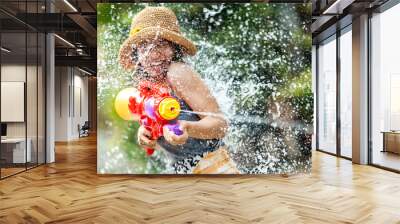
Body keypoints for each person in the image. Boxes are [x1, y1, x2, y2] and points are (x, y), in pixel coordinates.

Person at [119, 6, 239, 174]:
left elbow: (221, 125)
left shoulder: (177, 73)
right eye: (144, 46)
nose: (153, 54)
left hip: (213, 167)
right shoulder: (145, 86)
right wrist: (146, 134)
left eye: (161, 44)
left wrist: (187, 128)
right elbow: (164, 136)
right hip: (180, 171)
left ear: (174, 48)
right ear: (136, 52)